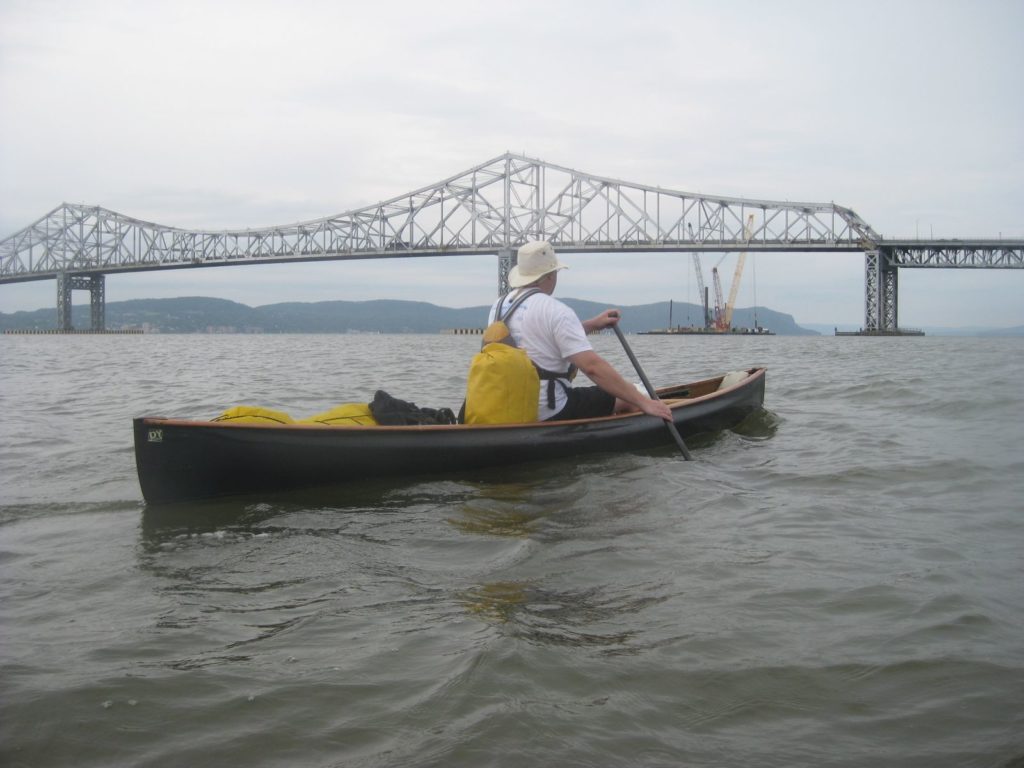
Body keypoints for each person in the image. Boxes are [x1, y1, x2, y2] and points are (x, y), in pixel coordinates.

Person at [489, 240, 674, 423]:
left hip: (504, 403)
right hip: (546, 409)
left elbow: (541, 337)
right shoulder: (556, 310)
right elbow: (592, 367)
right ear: (551, 275)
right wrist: (644, 403)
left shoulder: (499, 306)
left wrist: (592, 325)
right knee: (633, 394)